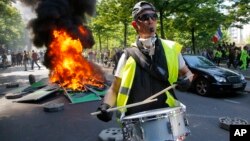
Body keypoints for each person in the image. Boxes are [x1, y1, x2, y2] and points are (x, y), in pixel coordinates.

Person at [96, 1, 193, 140]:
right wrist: (105, 105)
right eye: (145, 17)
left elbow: (188, 73)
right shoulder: (127, 55)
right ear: (135, 24)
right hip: (135, 121)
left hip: (166, 116)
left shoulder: (172, 49)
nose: (151, 20)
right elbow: (114, 89)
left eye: (154, 16)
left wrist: (187, 81)